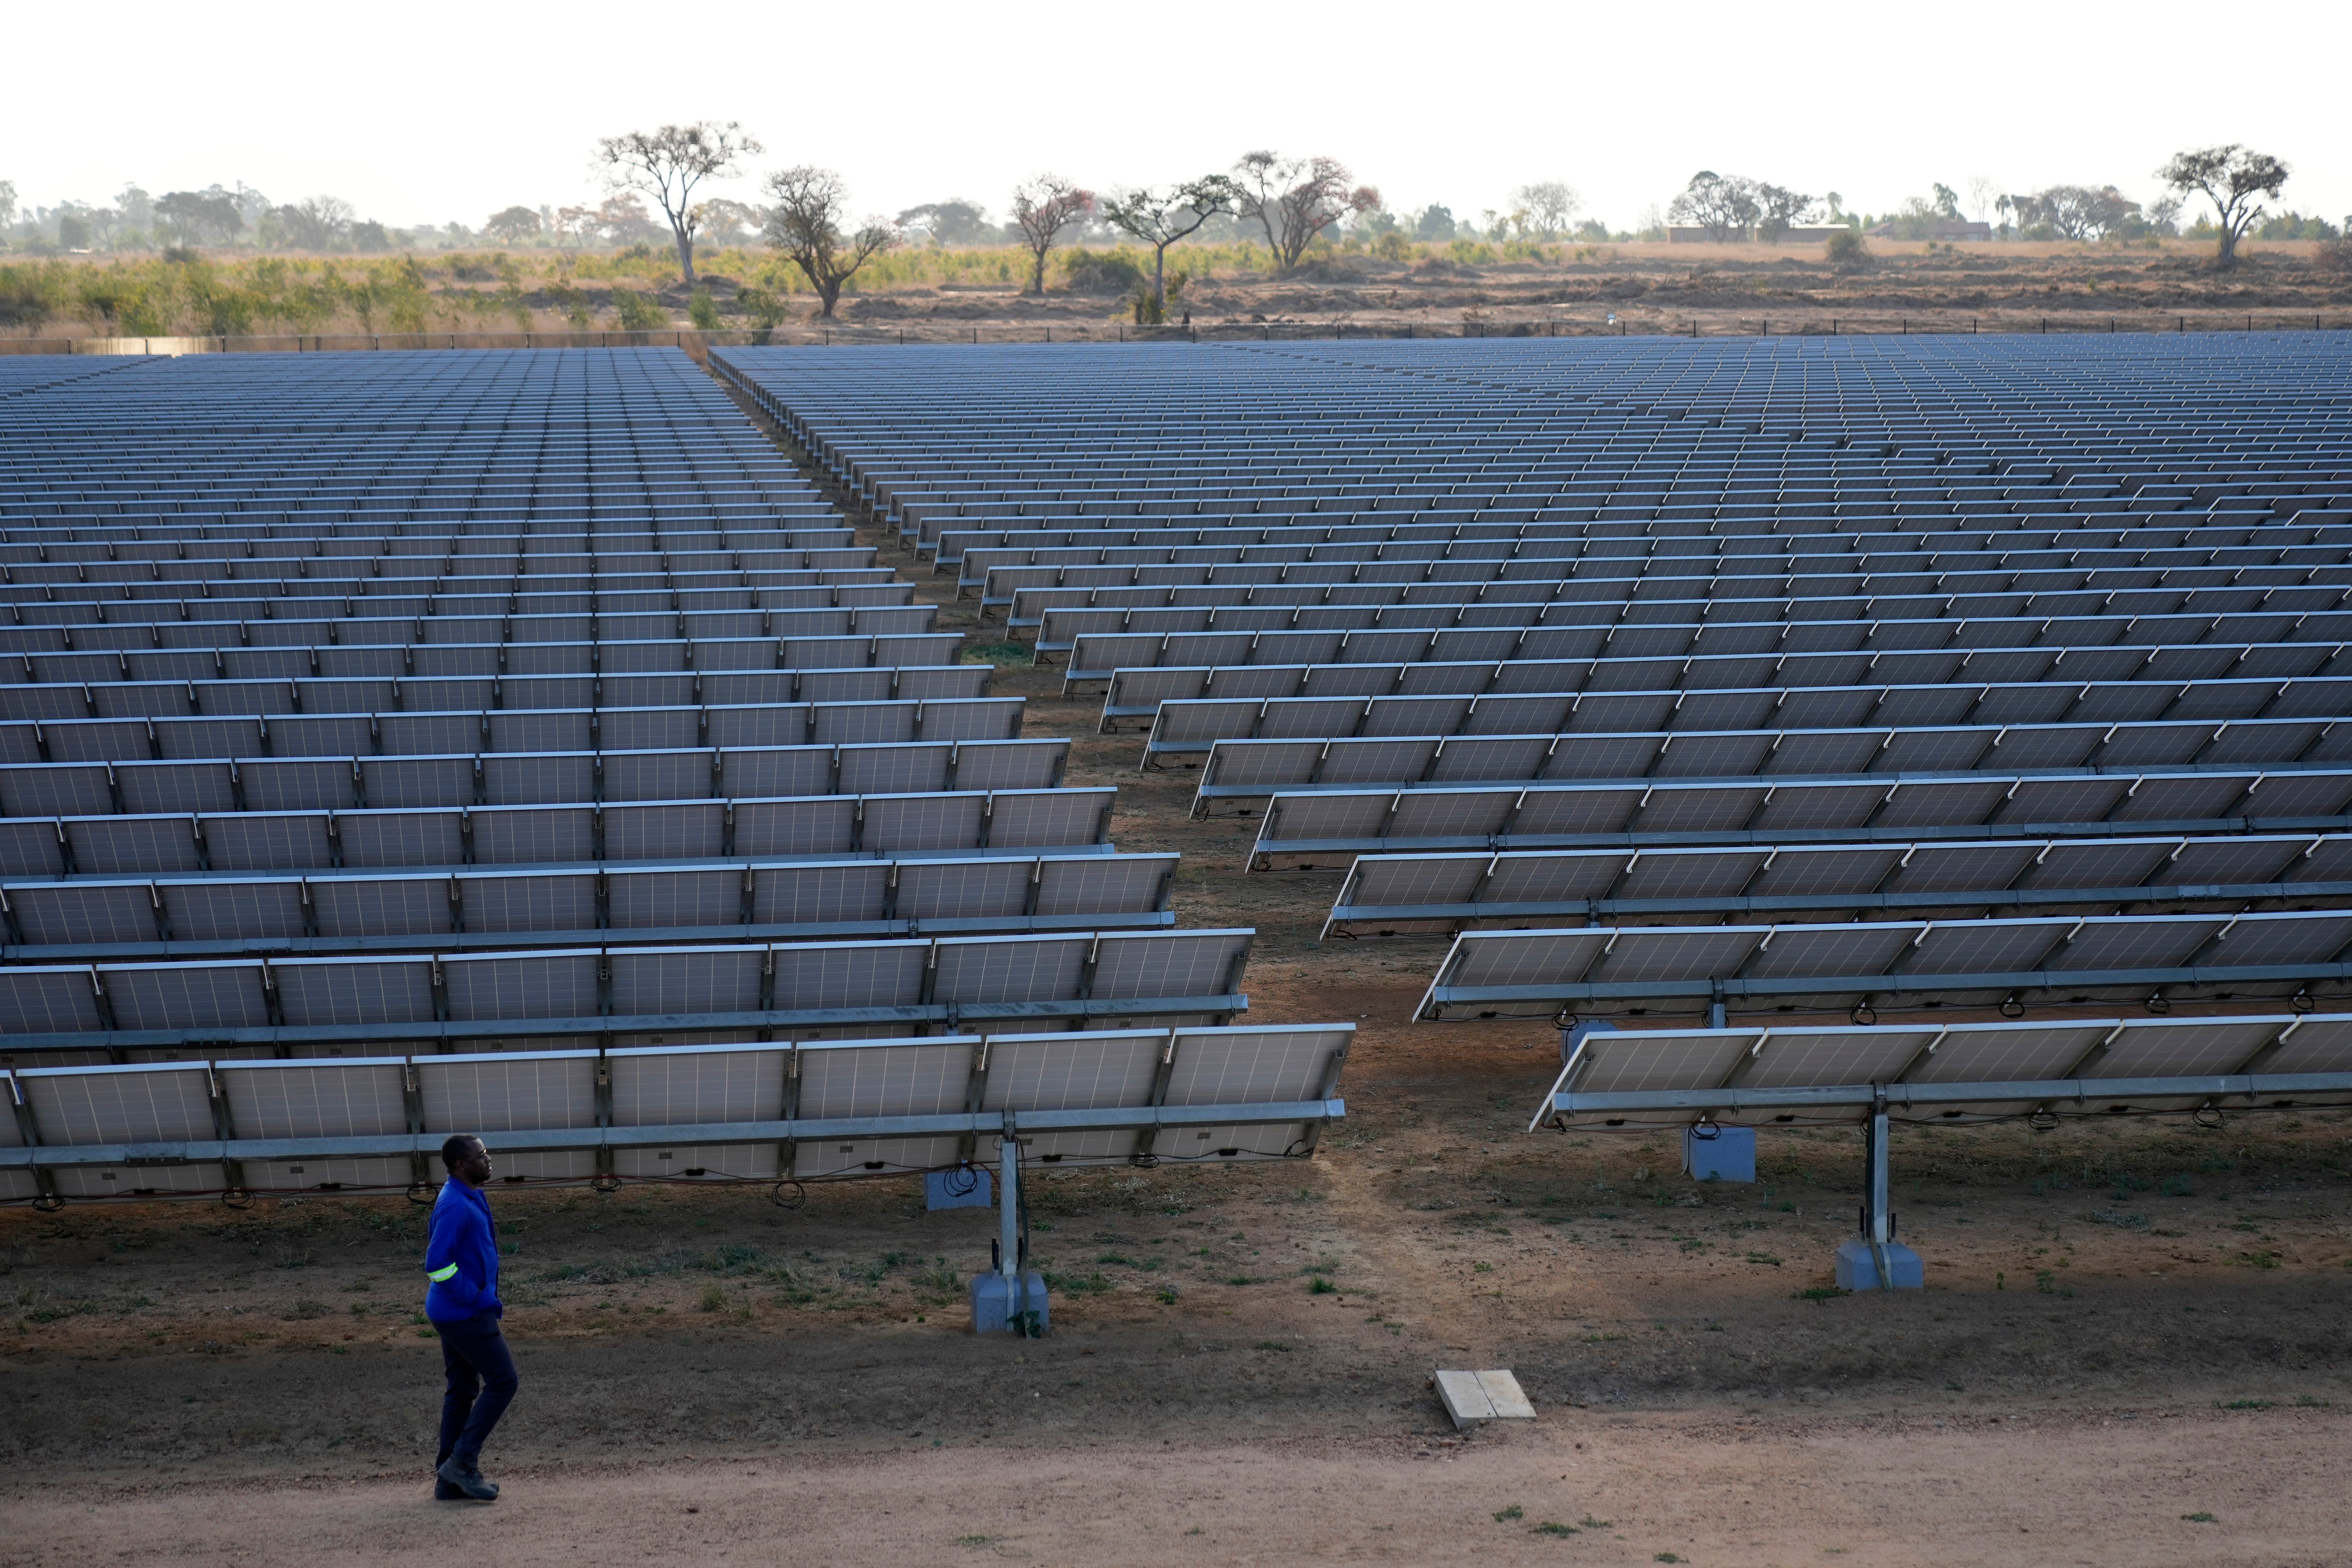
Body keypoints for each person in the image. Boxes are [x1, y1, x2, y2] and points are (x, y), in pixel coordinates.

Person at [423, 1134, 517, 1502]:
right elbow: (437, 1265)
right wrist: (478, 1299)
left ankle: (449, 1481)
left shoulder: (469, 1195)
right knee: (504, 1381)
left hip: (455, 1311)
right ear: (461, 1165)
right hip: (463, 1313)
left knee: (462, 1390)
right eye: (481, 1155)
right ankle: (461, 1463)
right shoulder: (455, 1205)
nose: (488, 1159)